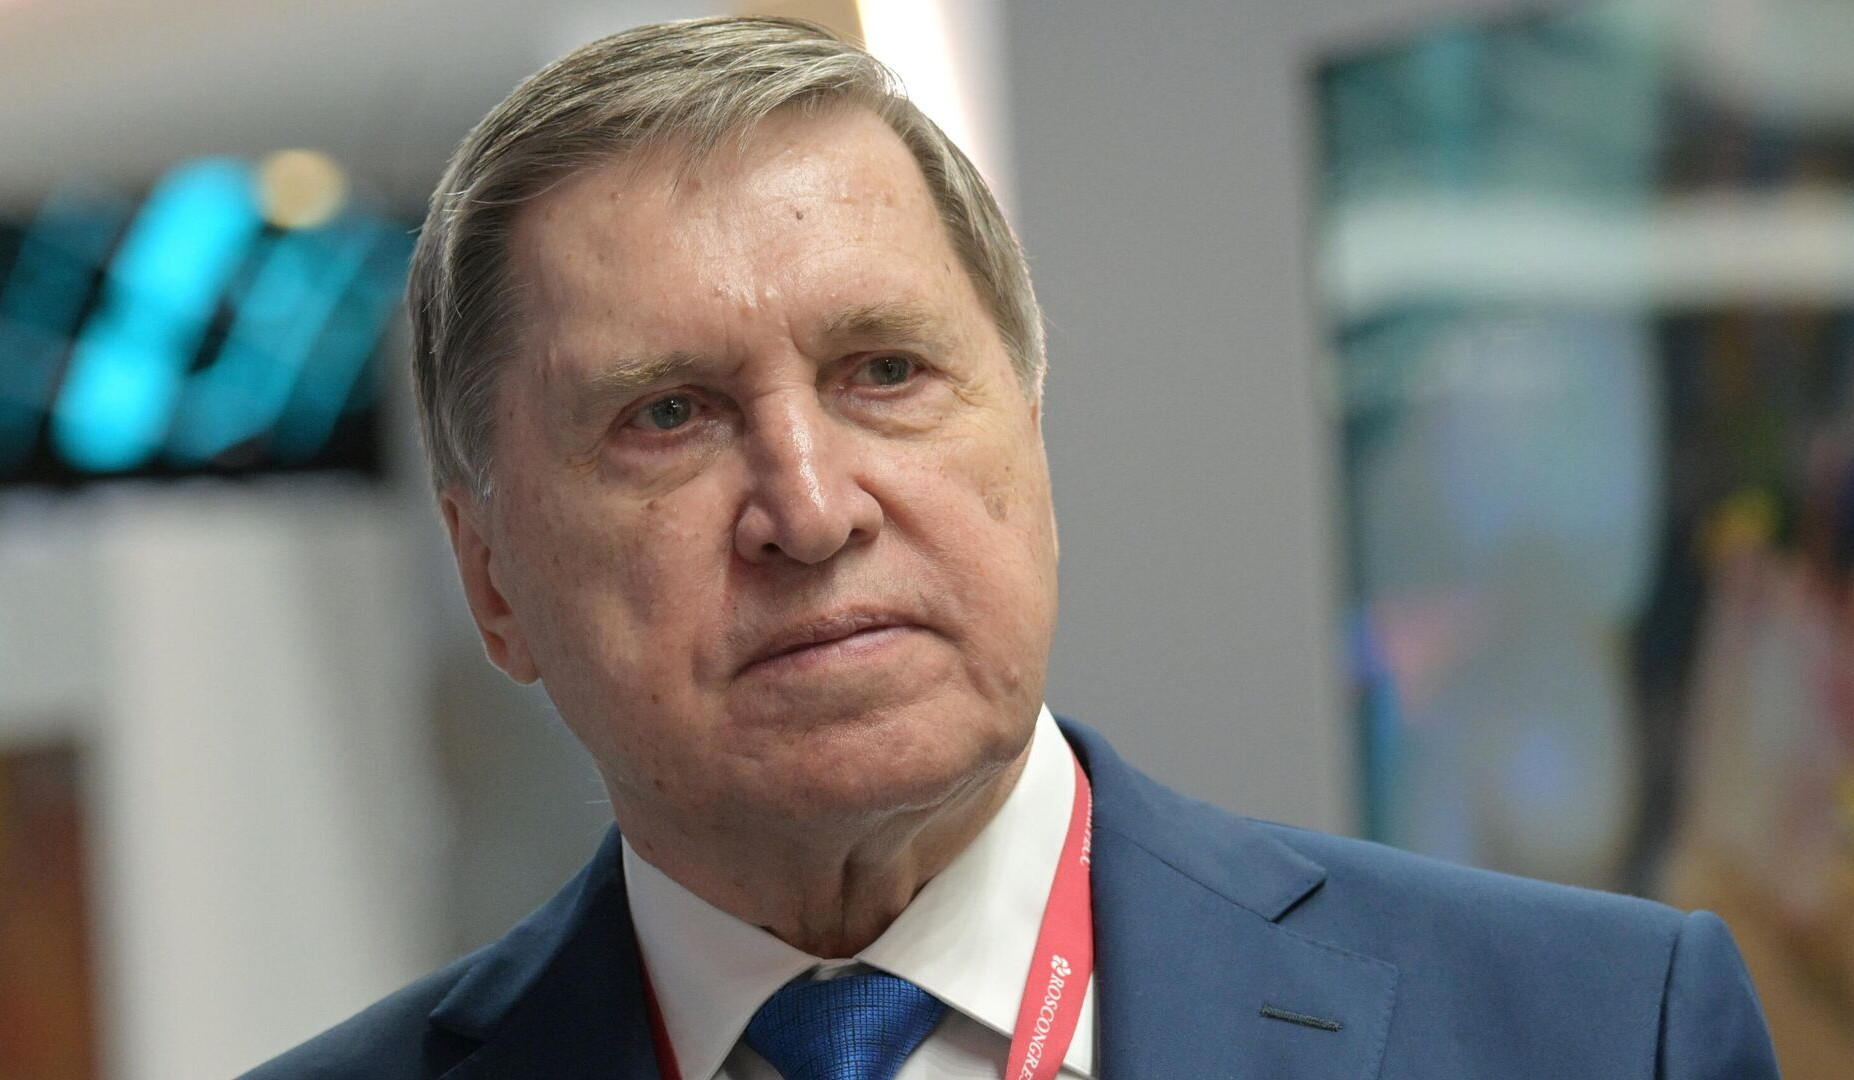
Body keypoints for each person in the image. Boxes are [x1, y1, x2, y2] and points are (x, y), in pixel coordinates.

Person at [245, 15, 1780, 1079]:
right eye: (668, 416)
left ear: (1028, 429)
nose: (811, 509)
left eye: (884, 372)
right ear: (491, 578)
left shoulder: (1593, 1034)